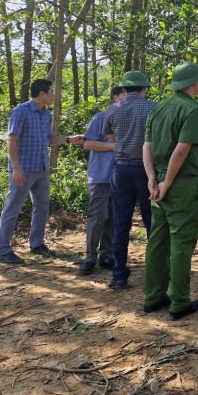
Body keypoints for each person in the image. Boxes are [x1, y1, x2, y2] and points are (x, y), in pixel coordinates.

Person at [142, 62, 198, 321]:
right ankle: (180, 302)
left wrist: (153, 179)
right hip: (180, 184)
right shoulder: (192, 110)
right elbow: (182, 150)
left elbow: (146, 148)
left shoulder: (158, 110)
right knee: (181, 242)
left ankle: (153, 297)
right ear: (192, 83)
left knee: (157, 240)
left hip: (157, 182)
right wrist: (168, 183)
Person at [0, 79, 85, 264]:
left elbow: (49, 139)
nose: (54, 95)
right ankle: (3, 250)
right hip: (24, 169)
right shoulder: (21, 112)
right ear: (42, 93)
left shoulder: (46, 114)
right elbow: (11, 141)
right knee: (12, 208)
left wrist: (70, 139)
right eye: (52, 91)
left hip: (42, 168)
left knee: (42, 207)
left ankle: (36, 244)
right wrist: (16, 169)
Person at [102, 70, 156, 289]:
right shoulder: (154, 108)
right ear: (144, 89)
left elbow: (112, 138)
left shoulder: (112, 110)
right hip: (147, 170)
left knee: (121, 223)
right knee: (152, 222)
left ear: (123, 90)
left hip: (121, 170)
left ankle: (119, 275)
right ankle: (157, 271)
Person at [78, 87, 125, 275]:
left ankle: (107, 255)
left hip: (120, 176)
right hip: (100, 176)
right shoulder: (100, 117)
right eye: (124, 95)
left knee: (114, 218)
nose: (127, 99)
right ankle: (90, 257)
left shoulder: (128, 119)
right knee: (97, 217)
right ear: (115, 97)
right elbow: (88, 144)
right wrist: (115, 145)